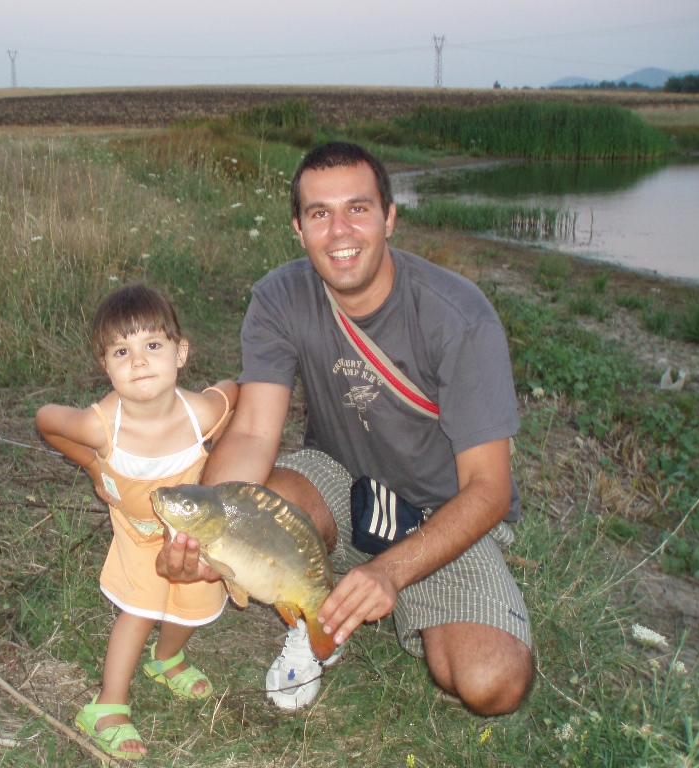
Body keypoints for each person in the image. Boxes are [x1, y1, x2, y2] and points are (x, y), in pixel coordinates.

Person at [157, 142, 533, 716]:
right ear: (298, 229)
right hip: (342, 483)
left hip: (441, 511)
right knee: (260, 498)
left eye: (358, 208)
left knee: (489, 683)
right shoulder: (280, 297)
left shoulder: (458, 317)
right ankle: (313, 622)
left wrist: (390, 571)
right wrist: (206, 534)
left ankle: (378, 586)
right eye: (320, 213)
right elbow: (254, 431)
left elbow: (489, 489)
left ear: (389, 217)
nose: (340, 232)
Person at [36, 283, 238, 759]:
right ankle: (107, 706)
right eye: (121, 351)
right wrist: (93, 466)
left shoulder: (201, 413)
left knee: (197, 595)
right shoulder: (98, 426)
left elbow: (233, 394)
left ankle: (166, 658)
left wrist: (219, 459)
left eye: (153, 345)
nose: (140, 361)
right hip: (138, 530)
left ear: (180, 352)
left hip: (188, 529)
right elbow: (46, 419)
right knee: (142, 605)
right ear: (104, 365)